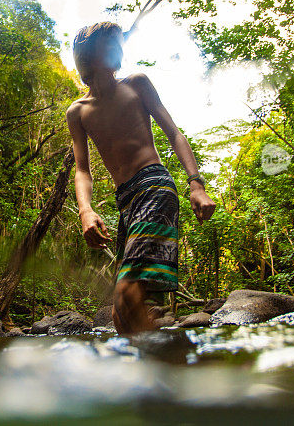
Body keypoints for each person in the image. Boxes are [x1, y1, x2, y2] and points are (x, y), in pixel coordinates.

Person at [65, 21, 217, 335]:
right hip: (126, 202)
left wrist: (196, 185)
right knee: (121, 314)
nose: (120, 49)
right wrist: (85, 211)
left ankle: (168, 365)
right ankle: (156, 366)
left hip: (155, 185)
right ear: (91, 56)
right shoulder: (77, 112)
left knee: (127, 291)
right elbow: (83, 169)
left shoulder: (136, 84)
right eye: (112, 44)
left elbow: (173, 133)